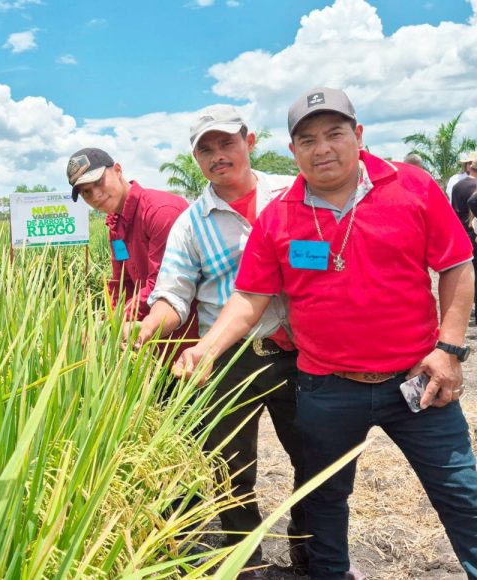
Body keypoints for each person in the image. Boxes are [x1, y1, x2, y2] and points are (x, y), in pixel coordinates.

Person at [173, 87, 477, 580]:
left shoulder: (412, 187)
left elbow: (457, 265)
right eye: (308, 140)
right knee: (323, 503)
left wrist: (449, 349)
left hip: (418, 380)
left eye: (334, 134)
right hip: (326, 387)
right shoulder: (278, 216)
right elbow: (249, 297)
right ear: (293, 150)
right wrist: (205, 348)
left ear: (358, 135)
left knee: (461, 495)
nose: (322, 149)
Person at [132, 105, 307, 577]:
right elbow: (173, 294)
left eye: (226, 143)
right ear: (196, 159)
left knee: (314, 456)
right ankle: (245, 562)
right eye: (205, 149)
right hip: (229, 358)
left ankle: (308, 549)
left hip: (300, 352)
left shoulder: (293, 193)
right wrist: (146, 327)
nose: (217, 155)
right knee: (231, 469)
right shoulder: (192, 223)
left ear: (249, 142)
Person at [66, 147, 198, 351]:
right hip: (148, 335)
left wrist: (114, 323)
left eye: (99, 182)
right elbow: (122, 282)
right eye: (86, 192)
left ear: (118, 170)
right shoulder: (115, 223)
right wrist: (110, 319)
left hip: (187, 337)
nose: (96, 195)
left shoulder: (160, 212)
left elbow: (162, 285)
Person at [452, 152, 477, 324]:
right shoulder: (474, 188)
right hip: (473, 233)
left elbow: (452, 211)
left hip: (461, 234)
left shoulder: (457, 185)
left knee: (468, 274)